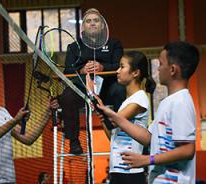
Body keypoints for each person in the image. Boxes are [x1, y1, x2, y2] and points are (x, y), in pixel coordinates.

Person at [97, 41, 199, 183]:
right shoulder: (166, 103)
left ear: (173, 69)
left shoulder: (181, 102)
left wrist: (147, 159)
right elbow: (148, 138)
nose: (158, 69)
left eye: (161, 64)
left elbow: (187, 150)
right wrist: (113, 116)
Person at [58, 8, 125, 154]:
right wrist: (81, 70)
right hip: (83, 90)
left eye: (96, 20)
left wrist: (102, 67)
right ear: (83, 26)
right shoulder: (74, 47)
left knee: (120, 90)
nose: (92, 23)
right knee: (67, 96)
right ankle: (74, 141)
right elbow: (67, 71)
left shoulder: (114, 43)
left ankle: (122, 131)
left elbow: (120, 66)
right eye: (88, 21)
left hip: (107, 87)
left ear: (102, 25)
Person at [96, 51, 156, 184]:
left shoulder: (140, 98)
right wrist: (102, 118)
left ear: (135, 73)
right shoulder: (126, 102)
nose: (117, 71)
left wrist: (96, 100)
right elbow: (113, 137)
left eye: (122, 67)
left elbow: (113, 122)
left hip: (130, 171)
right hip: (117, 169)